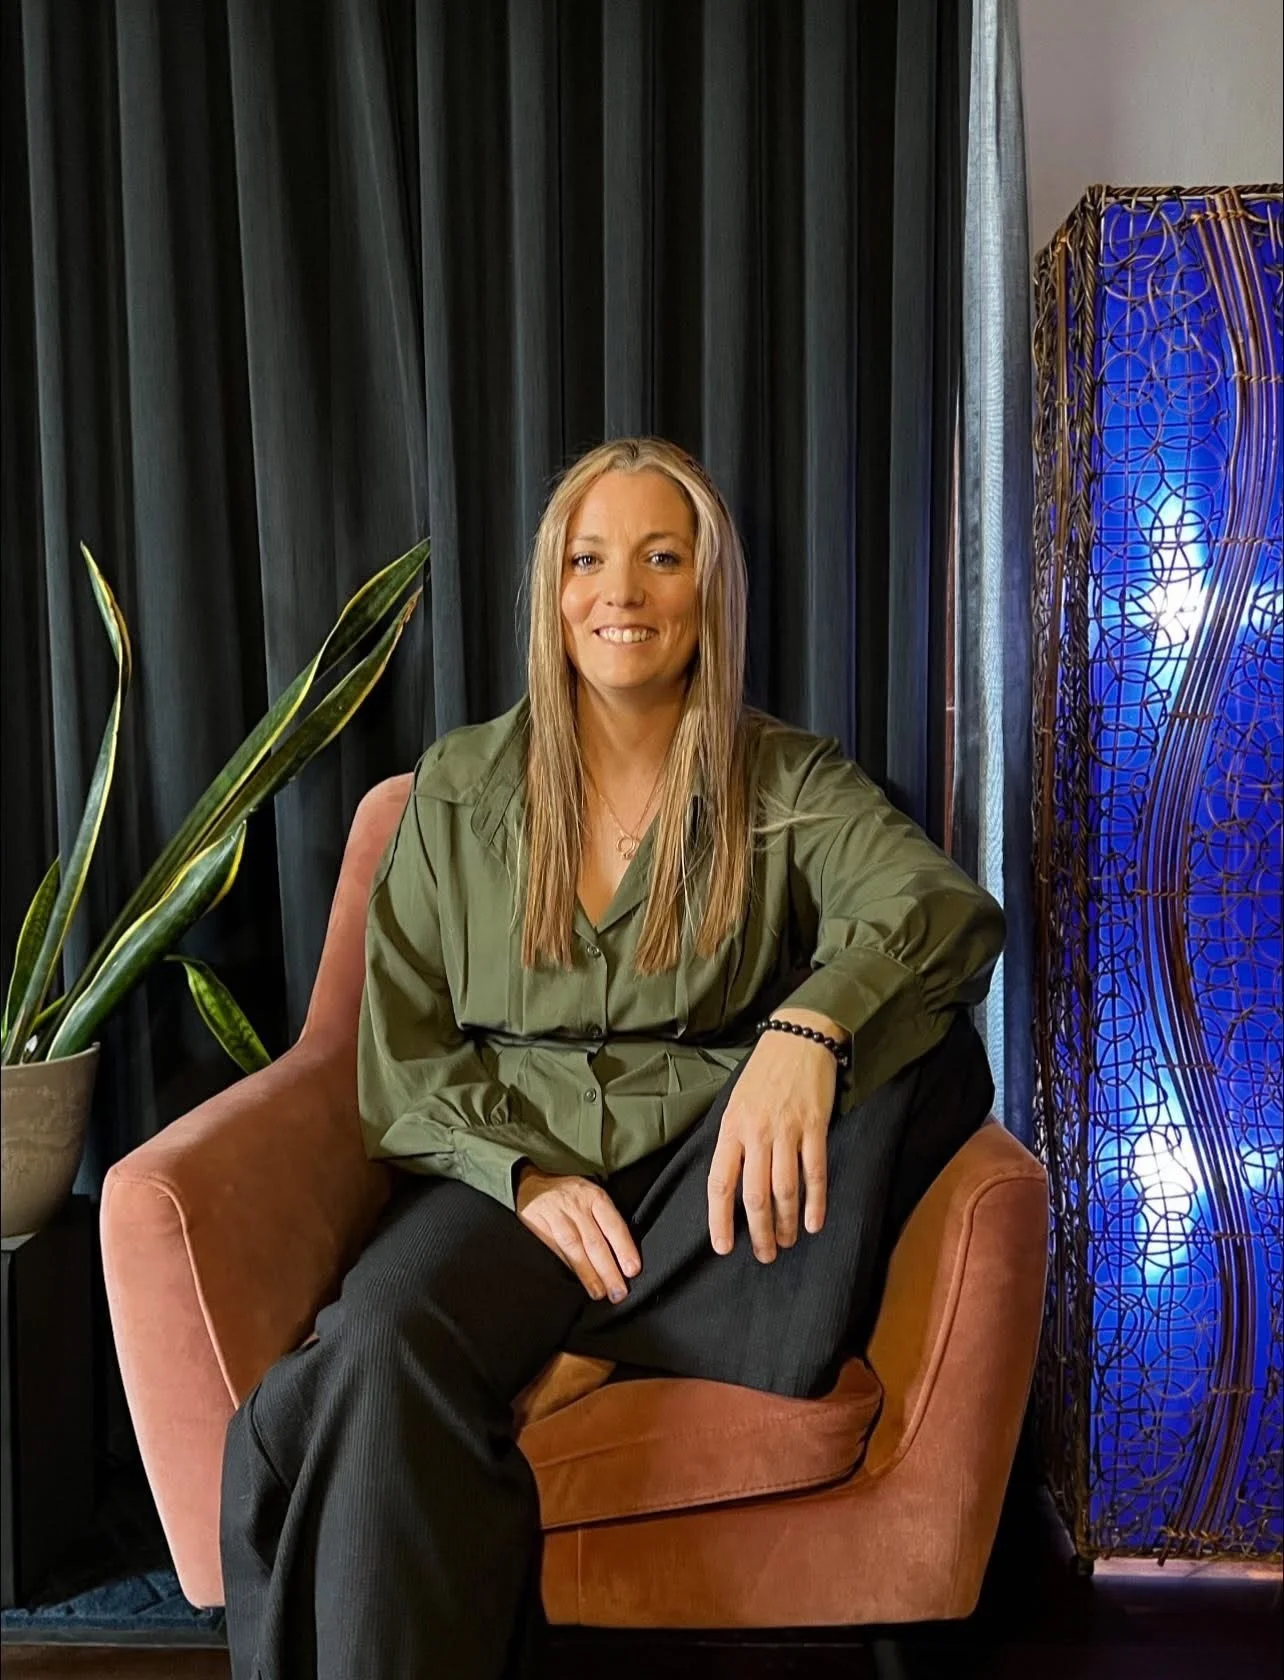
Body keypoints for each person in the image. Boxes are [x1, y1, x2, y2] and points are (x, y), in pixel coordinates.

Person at [219, 437, 1004, 1679]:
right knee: (370, 1341)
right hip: (516, 1181)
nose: (621, 593)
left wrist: (806, 1028)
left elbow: (943, 910)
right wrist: (523, 1183)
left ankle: (603, 1344)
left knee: (929, 1057)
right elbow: (401, 1060)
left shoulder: (783, 778)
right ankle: (609, 1336)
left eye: (660, 557)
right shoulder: (458, 790)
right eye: (590, 560)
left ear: (709, 590)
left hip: (708, 1177)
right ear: (553, 589)